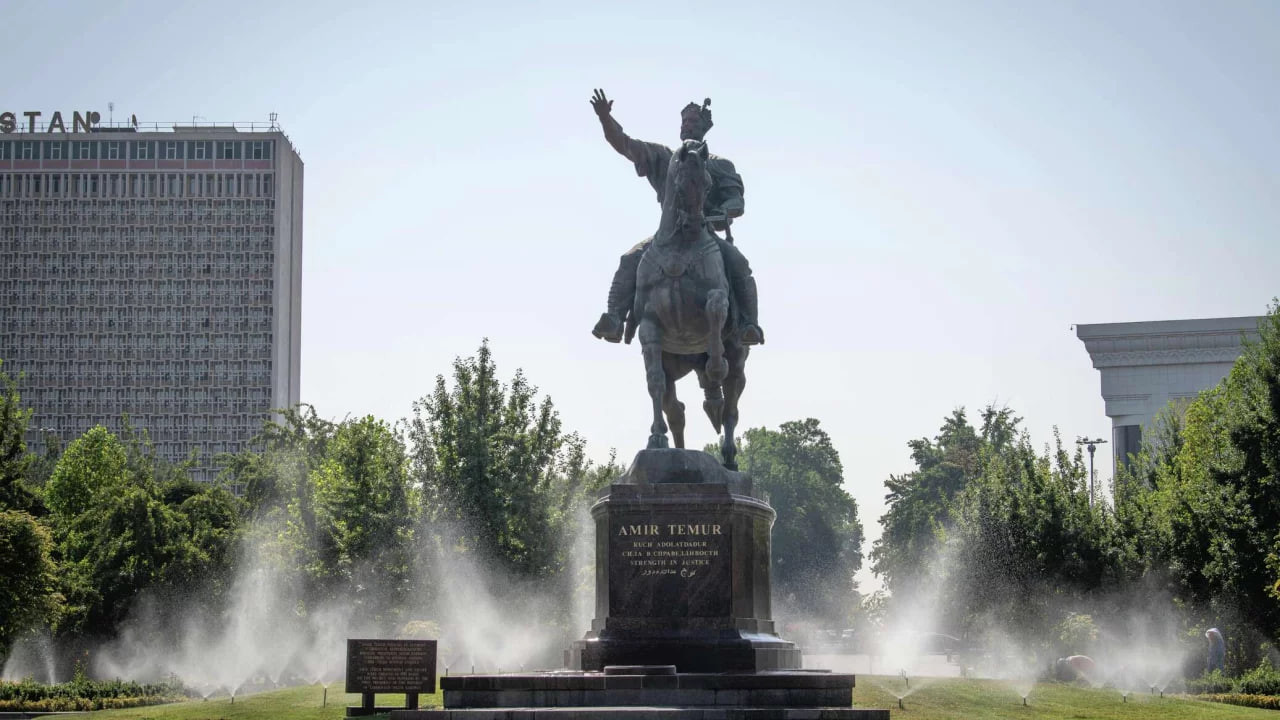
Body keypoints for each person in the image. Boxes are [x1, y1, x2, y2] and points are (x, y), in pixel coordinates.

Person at [588, 89, 763, 346]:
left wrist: (724, 212)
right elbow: (625, 144)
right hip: (667, 235)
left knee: (739, 264)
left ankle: (749, 325)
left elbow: (736, 200)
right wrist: (605, 118)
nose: (687, 126)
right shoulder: (663, 158)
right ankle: (614, 318)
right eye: (684, 121)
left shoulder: (720, 164)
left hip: (706, 235)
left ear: (705, 128)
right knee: (629, 259)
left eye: (693, 122)